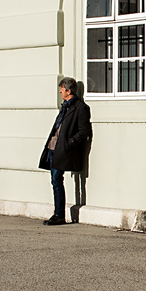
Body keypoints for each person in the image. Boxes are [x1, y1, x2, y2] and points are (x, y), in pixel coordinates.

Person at [40, 77, 91, 226]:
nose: (60, 91)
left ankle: (59, 215)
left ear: (68, 91)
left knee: (57, 179)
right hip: (53, 147)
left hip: (62, 149)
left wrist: (69, 144)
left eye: (62, 89)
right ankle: (58, 213)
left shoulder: (80, 107)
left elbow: (84, 131)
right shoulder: (65, 106)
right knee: (55, 180)